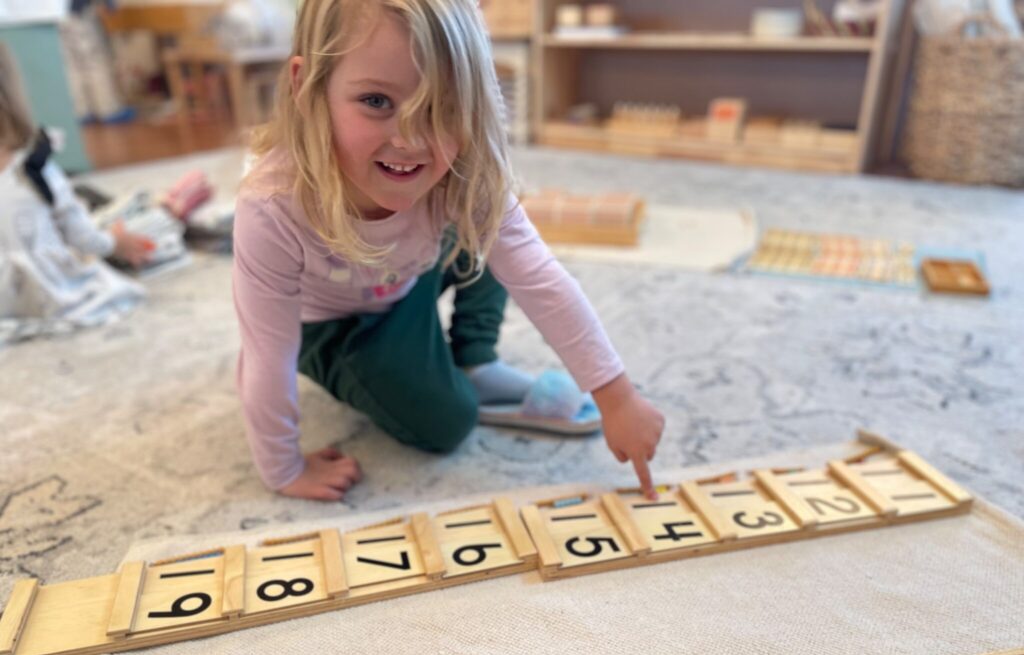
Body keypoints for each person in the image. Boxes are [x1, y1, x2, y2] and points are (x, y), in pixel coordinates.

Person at [233, 0, 665, 502]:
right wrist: (283, 468)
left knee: (490, 237)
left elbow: (539, 277)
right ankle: (445, 375)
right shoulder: (272, 204)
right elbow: (267, 351)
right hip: (337, 325)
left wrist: (617, 396)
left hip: (407, 278)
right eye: (376, 101)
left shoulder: (465, 167)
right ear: (307, 85)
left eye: (444, 107)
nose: (411, 139)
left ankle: (473, 360)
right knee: (448, 422)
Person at [0, 43, 154, 340]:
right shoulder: (33, 167)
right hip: (44, 291)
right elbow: (81, 236)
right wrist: (115, 243)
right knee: (116, 282)